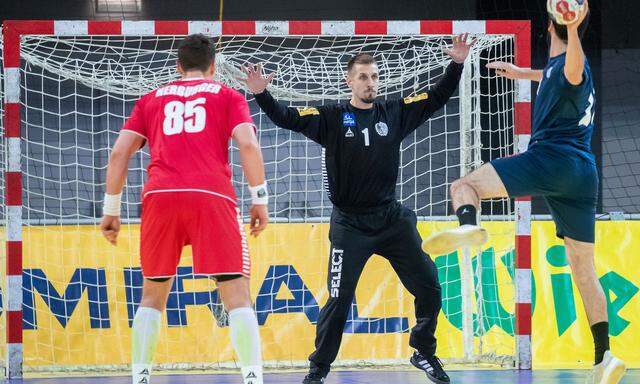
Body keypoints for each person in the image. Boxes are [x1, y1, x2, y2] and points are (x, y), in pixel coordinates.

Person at [243, 34, 476, 384]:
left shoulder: (394, 112)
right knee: (338, 302)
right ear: (349, 81)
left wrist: (456, 63)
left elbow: (437, 98)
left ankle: (424, 352)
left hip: (391, 219)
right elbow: (286, 117)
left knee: (429, 286)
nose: (371, 83)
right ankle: (317, 371)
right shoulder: (332, 117)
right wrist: (261, 93)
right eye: (364, 77)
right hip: (349, 225)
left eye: (375, 77)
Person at [422, 2, 626, 383]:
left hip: (550, 159)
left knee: (463, 186)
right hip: (584, 175)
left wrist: (575, 28)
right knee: (584, 269)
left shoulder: (572, 66)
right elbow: (555, 75)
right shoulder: (557, 72)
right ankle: (605, 356)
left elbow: (572, 69)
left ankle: (469, 226)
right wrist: (522, 73)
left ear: (548, 28)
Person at [100, 34, 269, 384]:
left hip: (161, 197)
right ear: (213, 66)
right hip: (211, 196)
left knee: (153, 294)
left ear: (177, 67)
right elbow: (248, 145)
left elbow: (118, 154)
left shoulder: (150, 100)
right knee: (236, 293)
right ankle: (253, 379)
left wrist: (111, 209)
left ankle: (141, 377)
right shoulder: (228, 95)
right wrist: (260, 199)